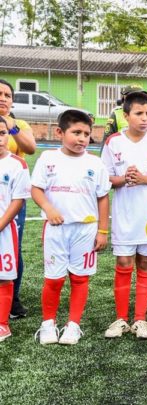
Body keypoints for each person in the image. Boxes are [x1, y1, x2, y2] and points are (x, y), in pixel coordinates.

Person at [31, 110, 111, 345]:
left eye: (86, 134)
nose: (82, 138)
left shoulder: (95, 164)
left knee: (79, 278)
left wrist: (103, 231)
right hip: (56, 230)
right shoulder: (48, 158)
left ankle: (73, 325)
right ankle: (48, 324)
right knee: (53, 280)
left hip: (85, 231)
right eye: (76, 132)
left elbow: (103, 198)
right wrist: (49, 207)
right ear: (59, 132)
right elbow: (35, 189)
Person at [101, 92, 147, 340]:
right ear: (126, 116)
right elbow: (105, 179)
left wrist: (144, 178)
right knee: (123, 264)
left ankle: (140, 319)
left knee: (145, 263)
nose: (145, 119)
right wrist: (124, 179)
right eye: (139, 114)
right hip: (124, 215)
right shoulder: (114, 142)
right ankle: (121, 319)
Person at [0, 79, 36, 319]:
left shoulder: (18, 124)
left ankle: (12, 300)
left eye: (7, 95)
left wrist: (10, 127)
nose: (3, 98)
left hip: (11, 198)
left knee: (12, 248)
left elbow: (31, 148)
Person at [0, 116, 31, 341]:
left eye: (2, 133)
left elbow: (18, 200)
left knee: (4, 278)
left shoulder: (17, 164)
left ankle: (2, 324)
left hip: (4, 231)